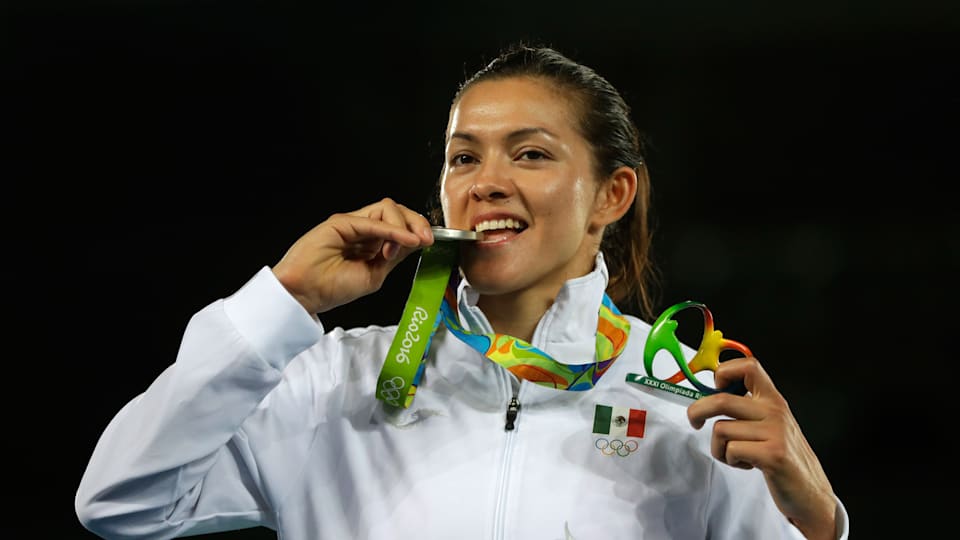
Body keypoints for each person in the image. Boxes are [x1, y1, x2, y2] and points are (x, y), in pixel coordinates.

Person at [75, 42, 849, 539]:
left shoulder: (690, 393)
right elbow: (119, 500)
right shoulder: (333, 382)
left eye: (531, 154)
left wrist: (818, 521)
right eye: (462, 158)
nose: (487, 184)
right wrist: (283, 303)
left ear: (611, 196)